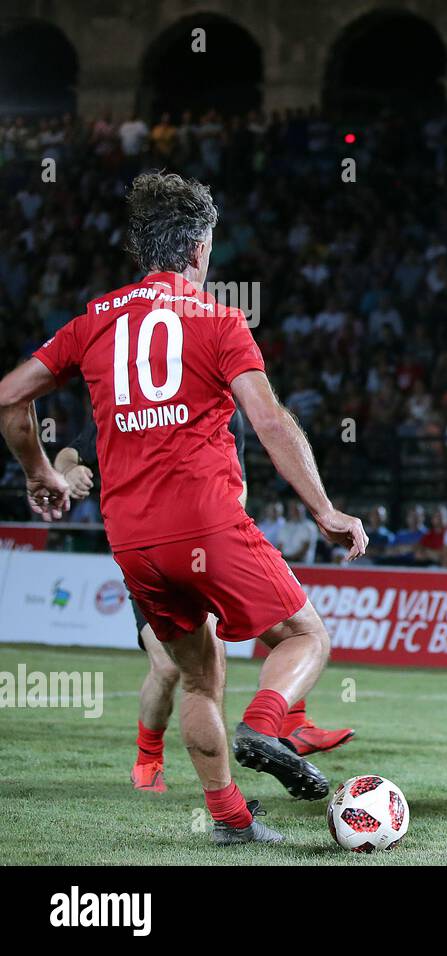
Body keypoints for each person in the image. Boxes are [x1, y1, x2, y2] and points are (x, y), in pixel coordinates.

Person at [0, 171, 368, 845]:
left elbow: (8, 395)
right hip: (208, 522)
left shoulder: (92, 321)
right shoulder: (220, 319)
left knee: (199, 682)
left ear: (143, 249)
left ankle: (230, 820)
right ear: (199, 249)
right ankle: (265, 725)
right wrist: (325, 509)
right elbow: (272, 422)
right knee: (306, 635)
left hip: (133, 541)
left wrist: (41, 472)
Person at [53, 407, 355, 792]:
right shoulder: (128, 407)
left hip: (201, 547)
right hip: (146, 551)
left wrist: (214, 518)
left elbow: (239, 486)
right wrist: (68, 472)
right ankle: (149, 759)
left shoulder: (224, 409)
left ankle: (289, 728)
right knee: (169, 669)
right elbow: (68, 454)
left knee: (263, 637)